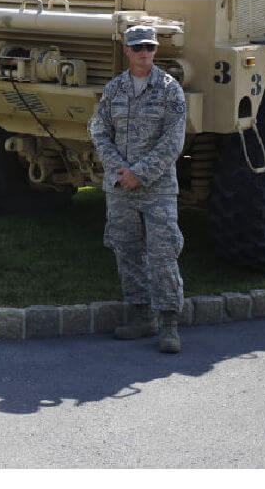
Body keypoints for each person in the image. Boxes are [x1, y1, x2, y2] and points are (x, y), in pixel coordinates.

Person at [87, 24, 189, 354]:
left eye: (150, 47)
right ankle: (140, 314)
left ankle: (170, 322)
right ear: (127, 51)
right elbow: (100, 132)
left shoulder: (170, 89)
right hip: (120, 187)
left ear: (156, 51)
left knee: (163, 252)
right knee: (126, 249)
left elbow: (173, 142)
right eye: (138, 47)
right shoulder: (114, 89)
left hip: (157, 187)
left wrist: (140, 174)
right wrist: (121, 172)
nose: (145, 52)